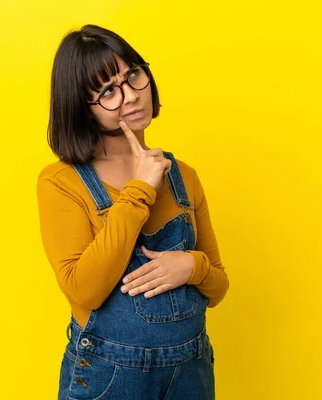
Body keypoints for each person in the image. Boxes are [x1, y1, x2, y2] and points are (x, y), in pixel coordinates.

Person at [37, 24, 229, 400]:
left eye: (133, 75)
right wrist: (140, 189)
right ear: (83, 108)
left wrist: (192, 266)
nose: (130, 96)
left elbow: (219, 286)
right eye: (108, 91)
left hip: (191, 373)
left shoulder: (184, 176)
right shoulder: (61, 182)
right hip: (110, 377)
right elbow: (84, 290)